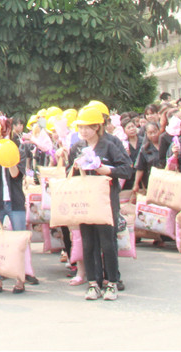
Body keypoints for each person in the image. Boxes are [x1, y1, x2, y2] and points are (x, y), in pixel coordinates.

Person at [67, 106, 133, 302]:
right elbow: (68, 174)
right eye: (81, 127)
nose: (84, 131)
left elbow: (126, 170)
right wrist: (76, 167)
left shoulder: (110, 145)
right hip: (85, 199)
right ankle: (93, 283)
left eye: (88, 127)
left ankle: (111, 281)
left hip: (105, 199)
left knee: (107, 242)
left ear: (97, 127)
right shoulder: (77, 147)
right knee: (88, 242)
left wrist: (106, 169)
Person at [0, 136, 38, 294]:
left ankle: (20, 278)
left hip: (16, 202)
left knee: (19, 241)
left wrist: (8, 157)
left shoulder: (18, 153)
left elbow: (15, 175)